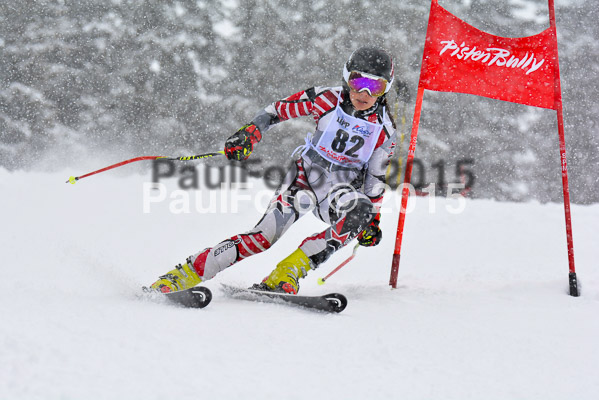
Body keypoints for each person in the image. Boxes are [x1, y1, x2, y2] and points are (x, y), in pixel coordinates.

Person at [149, 47, 397, 295]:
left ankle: (286, 273)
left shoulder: (385, 129)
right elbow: (275, 111)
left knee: (360, 211)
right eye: (358, 82)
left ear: (385, 89)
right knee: (264, 237)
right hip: (305, 180)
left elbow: (375, 177)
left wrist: (372, 220)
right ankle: (182, 275)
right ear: (346, 78)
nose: (363, 93)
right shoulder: (326, 98)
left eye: (375, 87)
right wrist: (251, 133)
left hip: (340, 191)